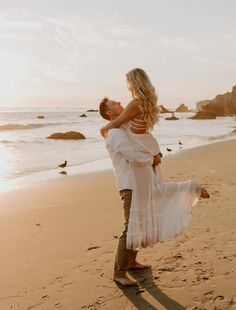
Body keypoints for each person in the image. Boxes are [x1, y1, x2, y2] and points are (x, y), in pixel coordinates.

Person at [100, 68, 210, 251]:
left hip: (145, 160)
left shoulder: (134, 104)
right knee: (153, 196)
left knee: (151, 199)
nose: (121, 96)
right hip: (147, 155)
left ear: (135, 83)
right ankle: (191, 187)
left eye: (128, 83)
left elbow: (116, 124)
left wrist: (103, 129)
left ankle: (191, 187)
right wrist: (153, 155)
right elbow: (130, 131)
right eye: (113, 102)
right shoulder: (144, 103)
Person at [99, 98, 162, 286]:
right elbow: (132, 156)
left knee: (140, 226)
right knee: (129, 228)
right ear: (110, 113)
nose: (119, 102)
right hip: (129, 185)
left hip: (139, 182)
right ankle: (119, 273)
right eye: (113, 103)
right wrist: (153, 160)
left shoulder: (123, 128)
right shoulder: (116, 133)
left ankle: (132, 262)